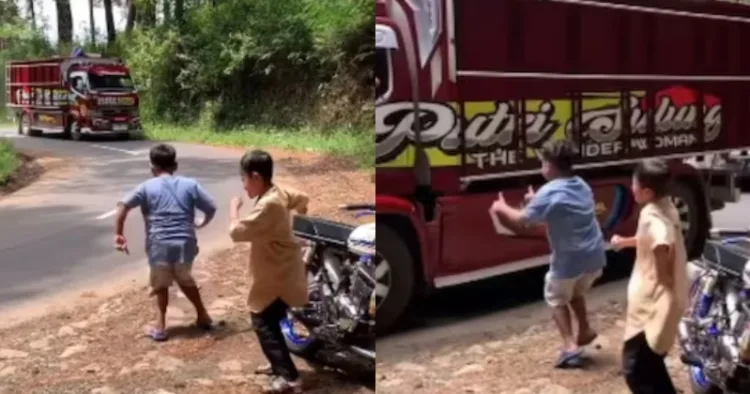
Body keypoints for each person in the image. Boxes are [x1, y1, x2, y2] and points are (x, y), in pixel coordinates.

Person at [491, 139, 606, 369]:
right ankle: (584, 329)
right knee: (574, 291)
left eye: (543, 162)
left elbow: (523, 222)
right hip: (595, 259)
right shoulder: (581, 184)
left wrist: (500, 208)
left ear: (549, 166)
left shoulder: (549, 191)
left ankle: (569, 346)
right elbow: (562, 209)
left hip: (568, 262)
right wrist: (536, 203)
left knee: (555, 297)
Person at [114, 143, 217, 342]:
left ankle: (160, 326)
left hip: (158, 244)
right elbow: (211, 207)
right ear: (175, 165)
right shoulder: (190, 184)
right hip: (185, 244)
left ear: (152, 168)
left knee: (160, 285)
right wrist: (201, 223)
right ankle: (203, 315)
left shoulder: (146, 187)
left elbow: (122, 207)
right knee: (185, 278)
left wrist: (118, 234)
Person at [229, 149, 309, 394]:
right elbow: (302, 197)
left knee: (262, 320)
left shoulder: (269, 204)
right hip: (281, 268)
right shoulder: (277, 192)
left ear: (255, 177)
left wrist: (233, 209)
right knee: (271, 319)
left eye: (243, 179)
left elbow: (236, 232)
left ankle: (290, 377)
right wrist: (299, 218)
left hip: (278, 275)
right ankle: (278, 364)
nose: (243, 186)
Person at [611, 159, 688, 394]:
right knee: (651, 365)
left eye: (633, 184)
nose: (631, 187)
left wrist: (663, 278)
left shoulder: (653, 216)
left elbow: (660, 239)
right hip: (665, 300)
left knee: (635, 369)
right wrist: (626, 242)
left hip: (653, 304)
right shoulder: (667, 205)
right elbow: (651, 239)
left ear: (646, 191)